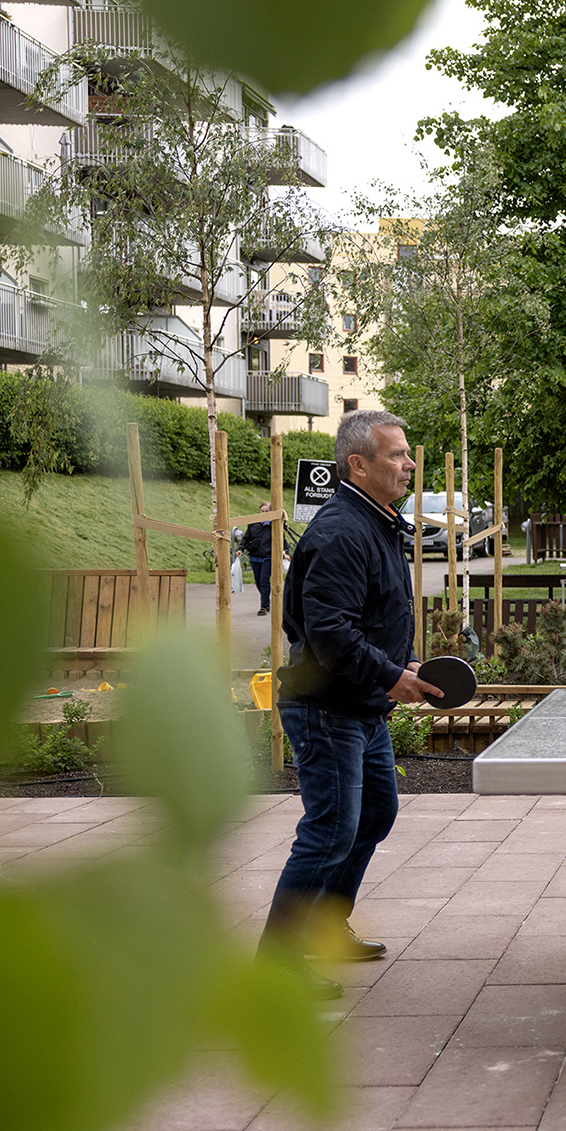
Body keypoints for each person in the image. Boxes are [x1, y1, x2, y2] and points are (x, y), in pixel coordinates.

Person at [261, 411, 438, 998]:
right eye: (396, 455)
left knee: (375, 814)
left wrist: (398, 667)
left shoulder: (376, 522)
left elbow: (365, 617)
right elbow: (330, 630)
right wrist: (389, 675)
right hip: (326, 707)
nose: (408, 464)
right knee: (331, 828)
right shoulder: (341, 530)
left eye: (407, 454)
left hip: (359, 704)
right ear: (357, 465)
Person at [242, 502, 274, 616]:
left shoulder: (274, 525)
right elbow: (246, 537)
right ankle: (266, 598)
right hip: (255, 555)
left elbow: (282, 538)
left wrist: (285, 551)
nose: (264, 513)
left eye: (267, 511)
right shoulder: (253, 524)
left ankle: (264, 606)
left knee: (264, 580)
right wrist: (241, 548)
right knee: (258, 581)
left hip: (268, 555)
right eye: (262, 511)